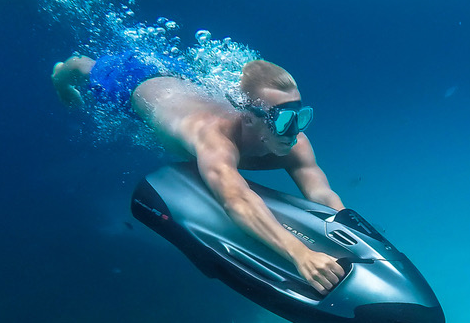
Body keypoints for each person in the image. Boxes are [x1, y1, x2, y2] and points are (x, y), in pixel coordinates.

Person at [51, 51, 345, 294]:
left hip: (179, 79)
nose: (294, 131)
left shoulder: (293, 141)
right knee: (85, 68)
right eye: (283, 120)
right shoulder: (214, 139)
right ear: (248, 118)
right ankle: (62, 74)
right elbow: (238, 201)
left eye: (300, 117)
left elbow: (320, 191)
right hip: (132, 86)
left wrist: (348, 225)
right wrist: (300, 254)